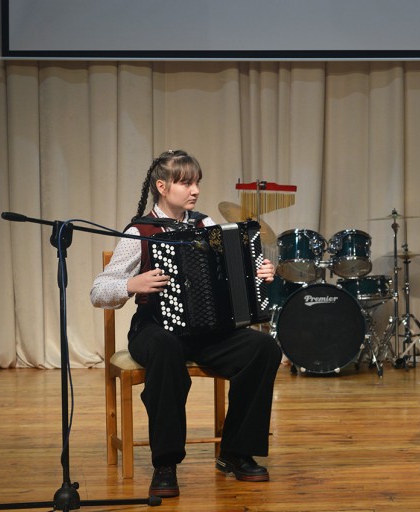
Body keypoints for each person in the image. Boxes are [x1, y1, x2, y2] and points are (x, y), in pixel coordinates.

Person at [91, 150, 282, 498]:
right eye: (185, 182)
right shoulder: (141, 231)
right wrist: (130, 285)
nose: (194, 190)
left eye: (197, 182)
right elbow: (99, 290)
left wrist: (259, 274)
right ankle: (165, 462)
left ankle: (235, 453)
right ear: (162, 186)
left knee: (264, 349)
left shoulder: (207, 226)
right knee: (164, 349)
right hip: (154, 329)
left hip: (208, 332)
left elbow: (232, 277)